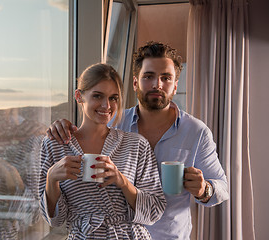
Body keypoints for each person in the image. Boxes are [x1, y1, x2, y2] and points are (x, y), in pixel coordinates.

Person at [46, 42, 230, 239]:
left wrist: (204, 189)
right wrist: (62, 127)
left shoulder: (196, 132)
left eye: (166, 78)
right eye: (148, 76)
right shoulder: (114, 121)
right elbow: (88, 128)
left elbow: (222, 188)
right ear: (135, 83)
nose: (156, 85)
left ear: (175, 86)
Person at [39, 63, 166, 239]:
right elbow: (55, 220)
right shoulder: (55, 144)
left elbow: (154, 211)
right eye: (98, 96)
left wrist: (122, 181)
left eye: (114, 98)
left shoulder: (137, 145)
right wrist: (51, 179)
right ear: (79, 96)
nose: (106, 105)